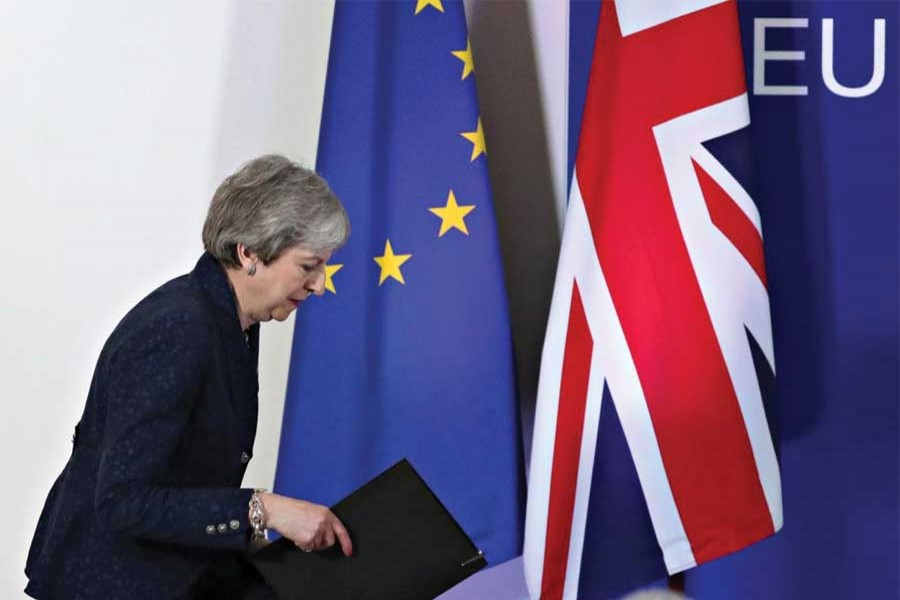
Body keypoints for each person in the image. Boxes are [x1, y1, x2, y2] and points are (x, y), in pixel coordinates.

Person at [25, 155, 353, 600]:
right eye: (308, 266)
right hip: (110, 581)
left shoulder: (234, 318)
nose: (319, 285)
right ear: (250, 253)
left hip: (178, 568)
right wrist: (265, 511)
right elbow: (123, 502)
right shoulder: (179, 329)